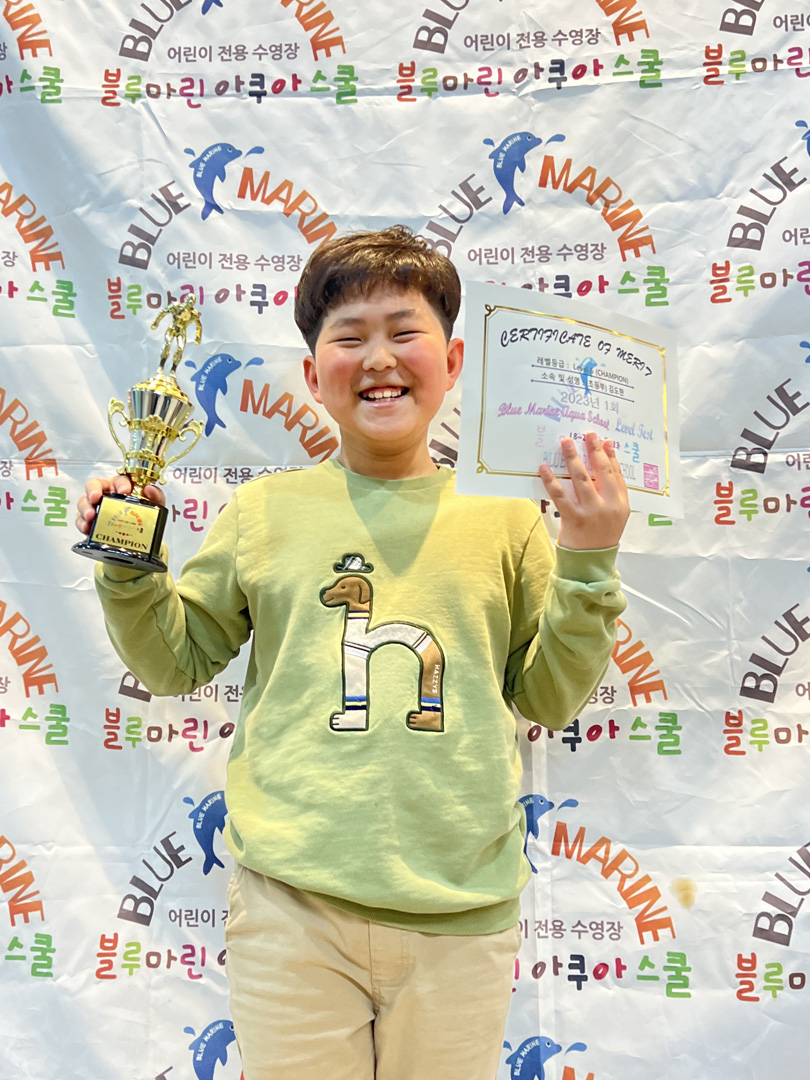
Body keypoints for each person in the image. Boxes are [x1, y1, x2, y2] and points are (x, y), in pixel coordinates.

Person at [75, 226, 629, 1080]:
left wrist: (588, 558)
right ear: (312, 375)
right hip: (290, 913)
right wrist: (128, 563)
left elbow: (549, 697)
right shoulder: (264, 513)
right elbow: (173, 663)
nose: (378, 358)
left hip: (461, 917)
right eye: (349, 337)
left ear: (452, 361)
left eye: (404, 332)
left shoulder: (509, 520)